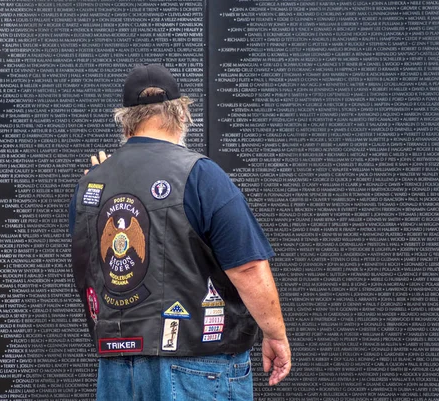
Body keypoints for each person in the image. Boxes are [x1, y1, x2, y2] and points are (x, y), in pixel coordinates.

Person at [69, 64, 290, 401]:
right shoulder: (200, 175)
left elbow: (92, 268)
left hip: (116, 367)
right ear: (182, 113)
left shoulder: (91, 183)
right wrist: (274, 333)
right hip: (198, 365)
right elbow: (247, 267)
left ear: (125, 120)